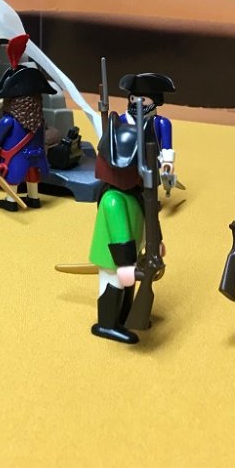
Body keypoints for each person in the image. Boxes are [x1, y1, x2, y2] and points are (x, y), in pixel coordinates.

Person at [87, 115, 150, 344]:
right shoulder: (113, 200)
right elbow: (119, 234)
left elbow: (146, 218)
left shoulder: (134, 195)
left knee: (127, 289)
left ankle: (125, 317)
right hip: (112, 257)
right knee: (112, 286)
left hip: (130, 255)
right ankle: (107, 324)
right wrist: (124, 263)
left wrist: (155, 241)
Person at [0, 65, 55, 211]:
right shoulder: (38, 120)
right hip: (36, 154)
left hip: (15, 157)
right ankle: (34, 198)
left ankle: (11, 201)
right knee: (32, 174)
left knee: (12, 176)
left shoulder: (8, 121)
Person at [119, 73, 176, 186]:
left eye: (143, 99)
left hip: (151, 161)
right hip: (128, 161)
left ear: (155, 101)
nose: (136, 102)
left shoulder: (161, 123)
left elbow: (166, 146)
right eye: (133, 98)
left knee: (149, 185)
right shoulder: (123, 119)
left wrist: (167, 162)